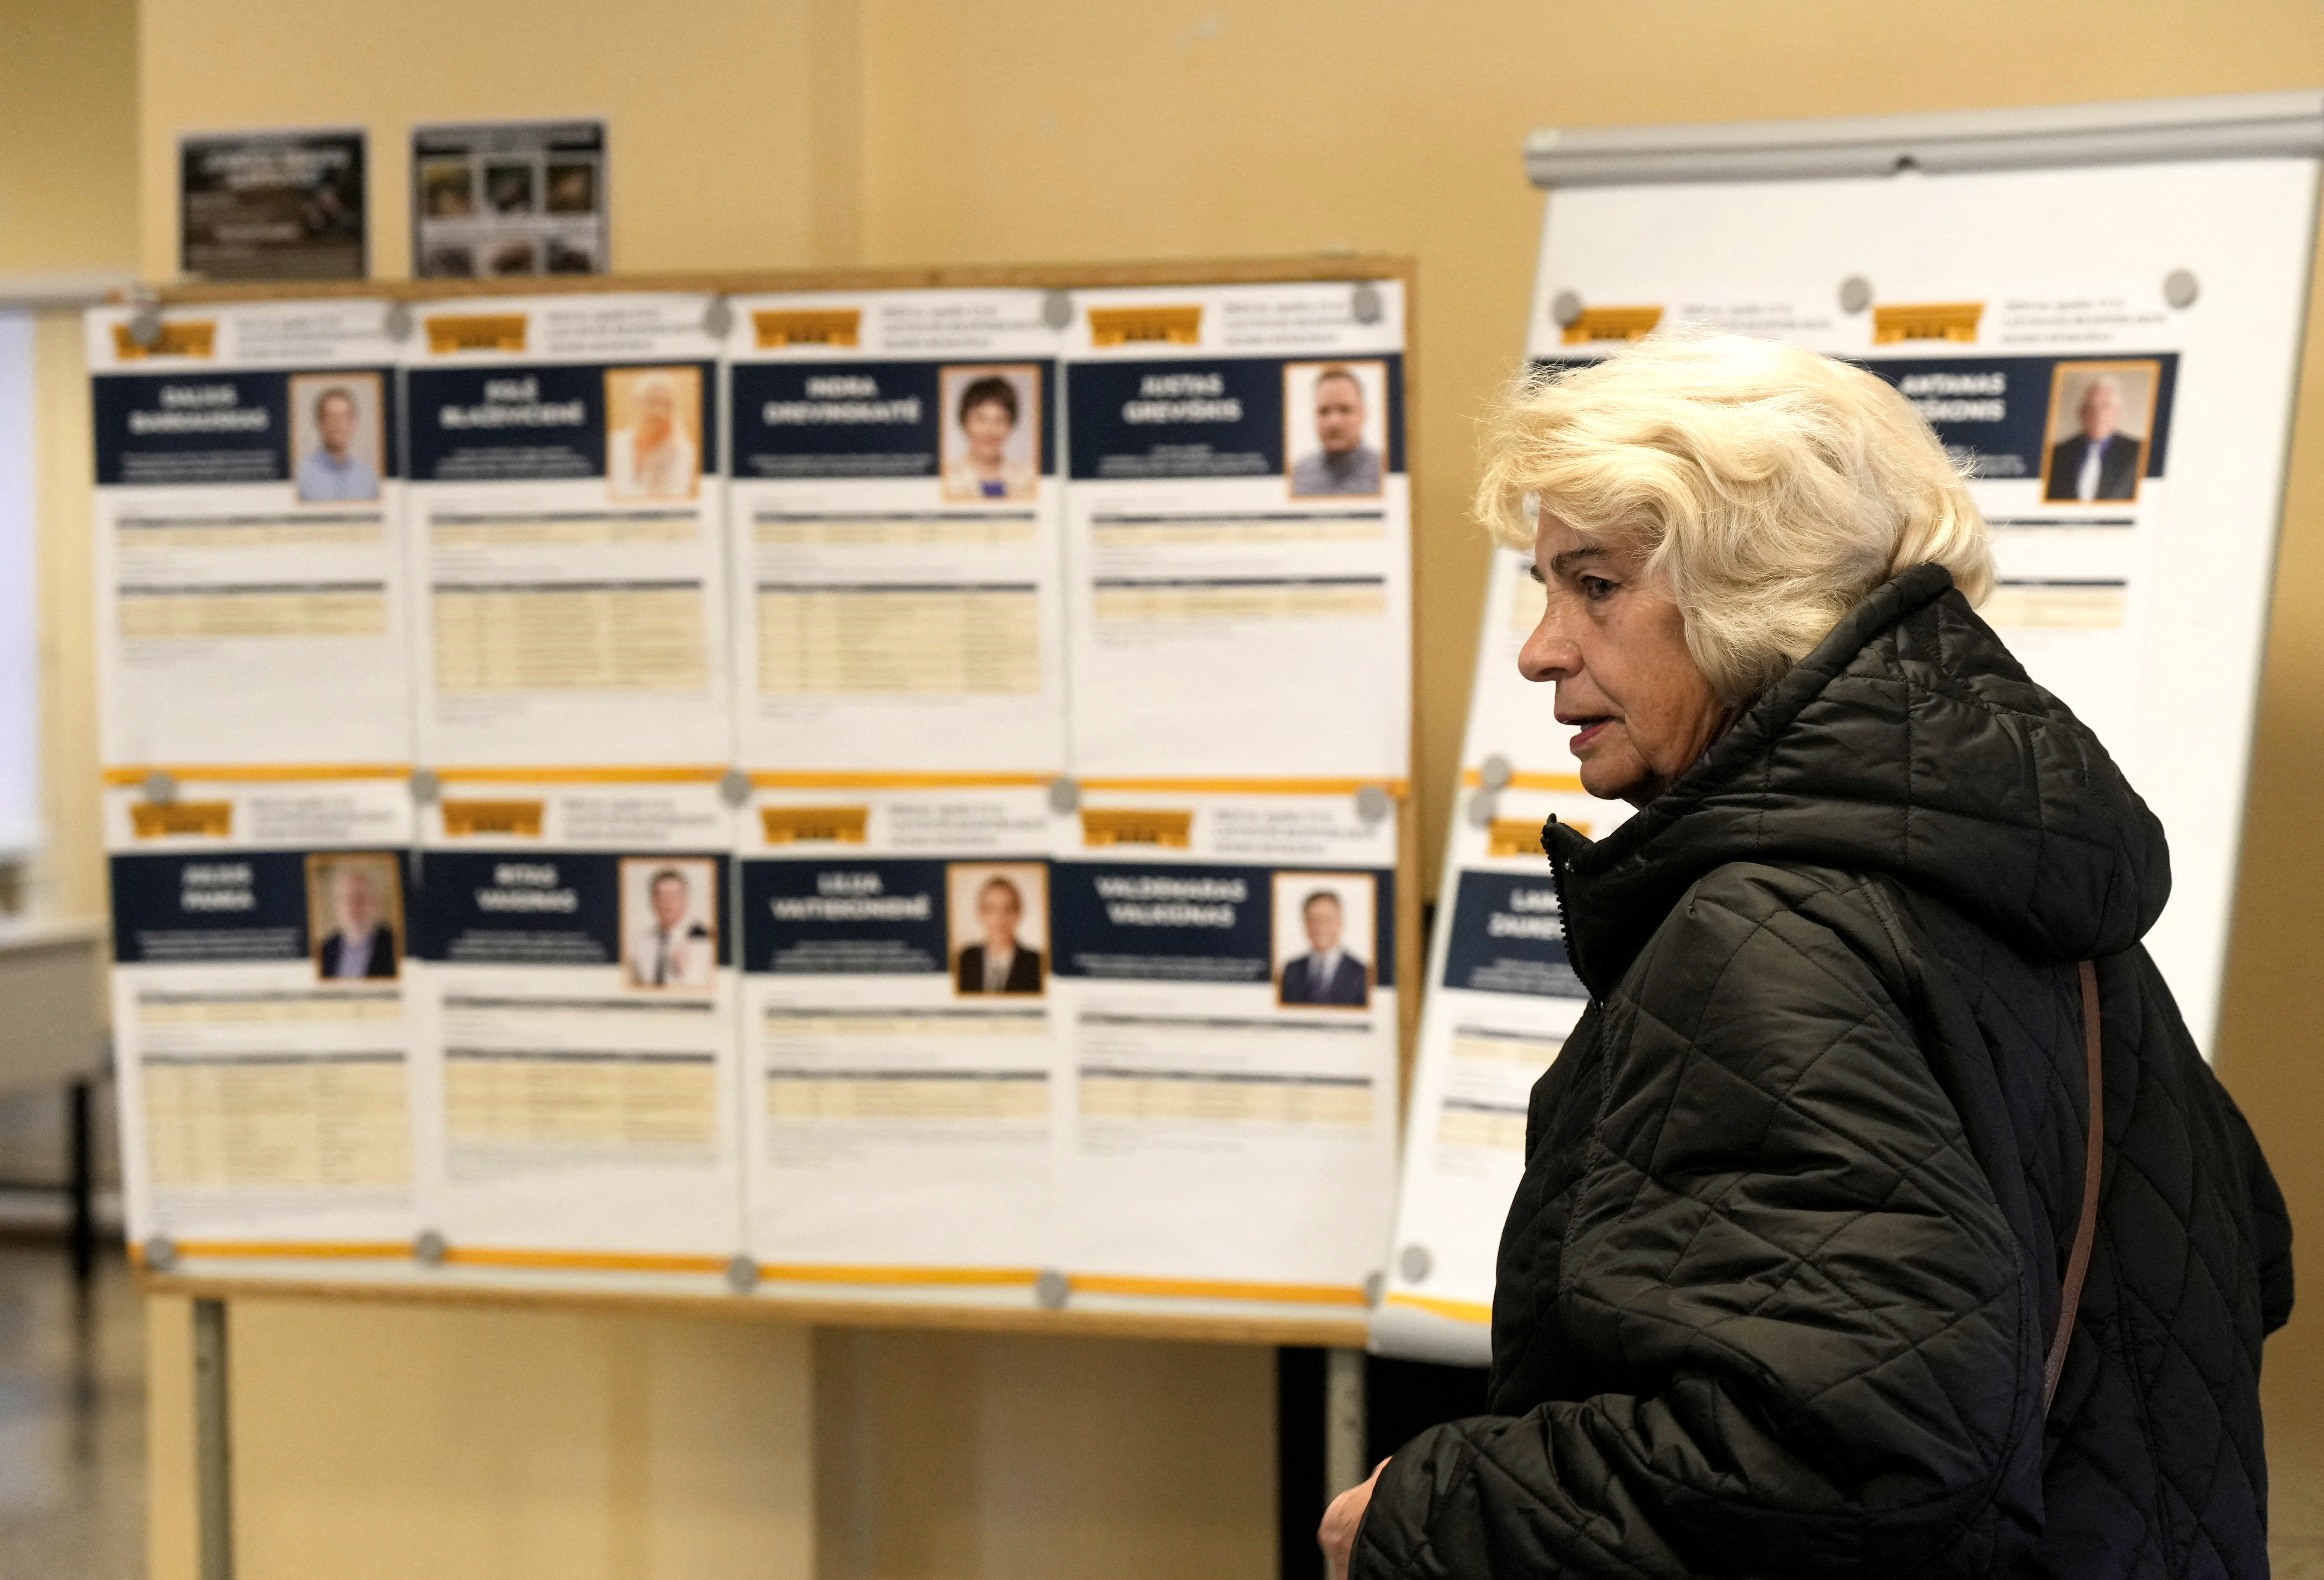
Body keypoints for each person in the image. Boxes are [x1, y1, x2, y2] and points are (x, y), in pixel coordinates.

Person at [1323, 329, 2289, 1580]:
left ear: (1749, 590)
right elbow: (2221, 1280)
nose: (1540, 647)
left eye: (1596, 585)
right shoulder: (2037, 887)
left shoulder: (1763, 927)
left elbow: (1844, 1452)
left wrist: (1423, 1511)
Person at [2043, 373, 2145, 501]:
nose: (2098, 415)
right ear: (2081, 413)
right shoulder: (2056, 454)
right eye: (2091, 408)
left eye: (2106, 407)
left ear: (2117, 413)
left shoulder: (2139, 452)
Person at [942, 374, 1036, 499]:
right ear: (964, 422)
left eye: (1000, 420)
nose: (990, 430)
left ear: (1011, 425)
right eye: (981, 419)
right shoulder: (946, 477)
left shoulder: (1028, 477)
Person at [1290, 366, 1381, 496]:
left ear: (1363, 415)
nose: (1334, 422)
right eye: (1324, 411)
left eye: (1345, 410)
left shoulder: (1385, 473)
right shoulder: (1298, 475)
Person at [609, 372, 697, 498]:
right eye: (652, 402)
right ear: (637, 405)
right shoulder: (615, 443)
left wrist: (662, 459)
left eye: (667, 405)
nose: (658, 412)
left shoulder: (682, 451)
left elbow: (675, 501)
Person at [1277, 890, 1368, 1006]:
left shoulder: (1362, 974)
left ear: (1341, 923)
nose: (1320, 926)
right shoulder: (1291, 971)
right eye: (1313, 919)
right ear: (1305, 925)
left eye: (1327, 919)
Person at [955, 875, 1042, 994]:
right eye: (991, 909)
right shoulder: (964, 960)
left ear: (1019, 913)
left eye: (1008, 909)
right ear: (980, 914)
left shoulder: (1037, 965)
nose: (1000, 918)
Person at [629, 868, 712, 988]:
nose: (669, 903)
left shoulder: (706, 940)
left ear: (685, 900)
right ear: (653, 902)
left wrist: (684, 972)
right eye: (662, 897)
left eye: (674, 896)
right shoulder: (638, 942)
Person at [295, 386, 379, 502]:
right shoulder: (299, 476)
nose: (338, 423)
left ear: (353, 423)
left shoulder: (369, 478)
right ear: (319, 422)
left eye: (344, 417)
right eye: (331, 417)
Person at [316, 862, 397, 980]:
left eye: (360, 897)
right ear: (336, 906)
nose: (352, 906)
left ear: (376, 902)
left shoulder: (396, 947)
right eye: (345, 898)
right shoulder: (324, 951)